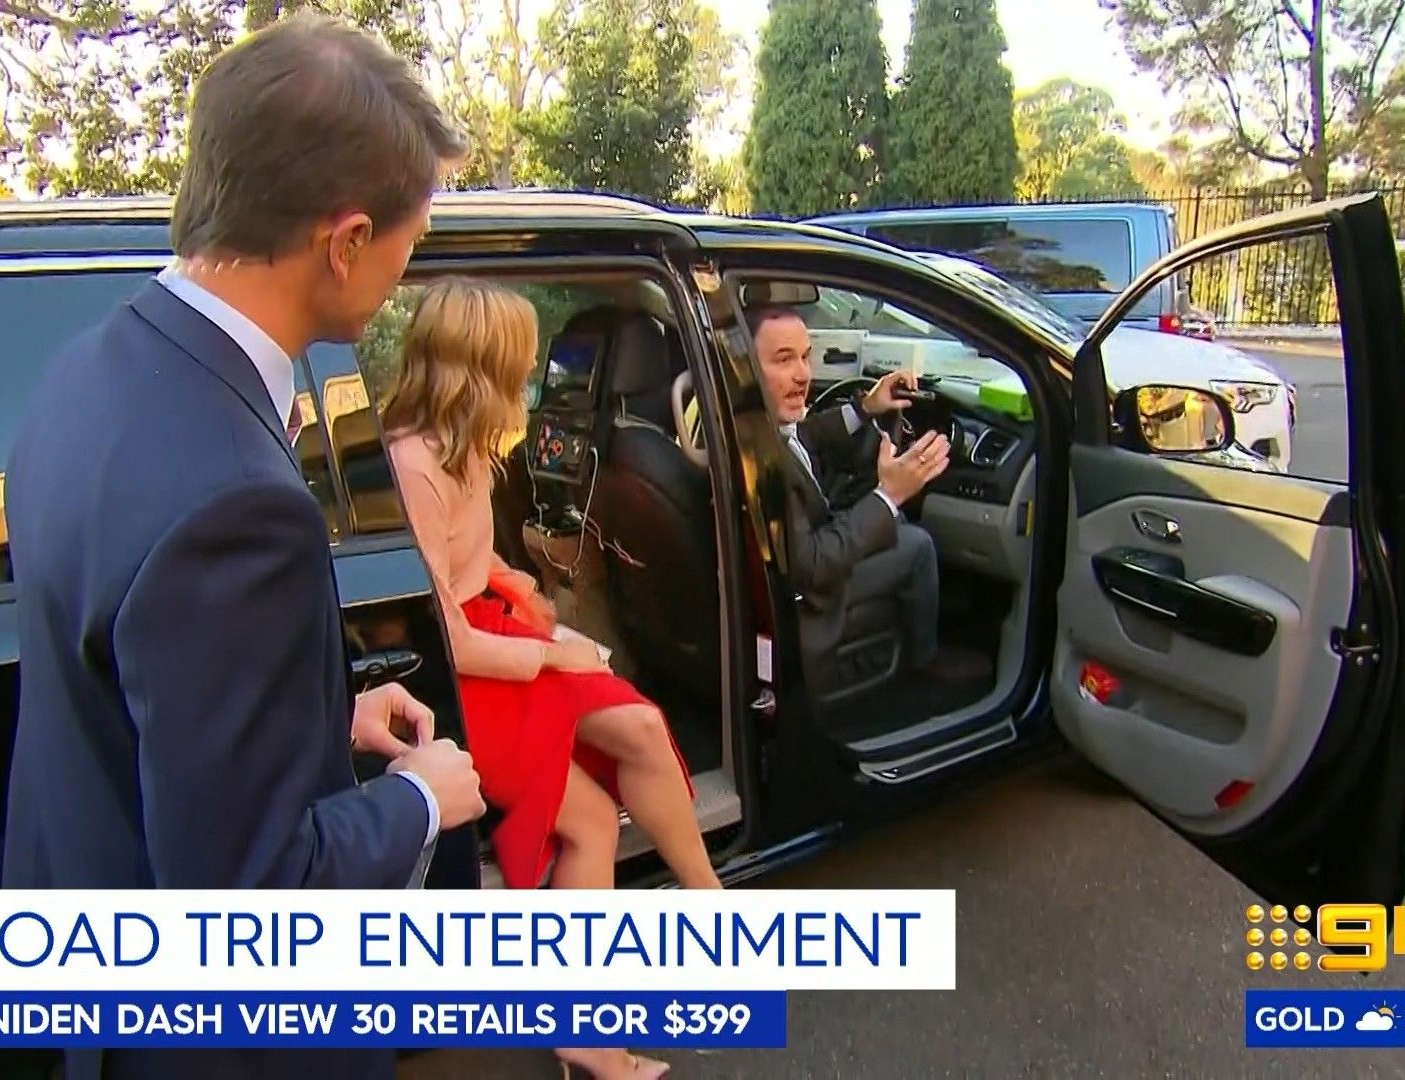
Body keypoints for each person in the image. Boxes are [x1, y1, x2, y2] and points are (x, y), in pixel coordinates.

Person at [0, 15, 483, 1080]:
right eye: (408, 240)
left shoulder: (85, 373)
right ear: (345, 241)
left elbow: (134, 691)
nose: (404, 268)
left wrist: (321, 717)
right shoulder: (236, 504)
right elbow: (251, 902)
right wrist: (419, 799)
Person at [383, 277, 718, 1080]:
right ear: (480, 368)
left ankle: (709, 908)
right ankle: (585, 1032)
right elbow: (445, 635)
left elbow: (468, 560)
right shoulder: (412, 464)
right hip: (466, 678)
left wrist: (519, 584)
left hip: (497, 633)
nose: (533, 378)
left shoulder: (464, 445)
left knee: (641, 726)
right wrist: (550, 653)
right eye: (521, 364)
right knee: (591, 819)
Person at [748, 304, 985, 686]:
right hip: (808, 609)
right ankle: (925, 663)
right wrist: (889, 494)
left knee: (895, 522)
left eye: (806, 357)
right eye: (784, 359)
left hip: (802, 567)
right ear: (745, 369)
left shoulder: (753, 423)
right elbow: (811, 568)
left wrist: (866, 406)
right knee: (918, 546)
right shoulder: (758, 462)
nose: (803, 374)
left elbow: (807, 435)